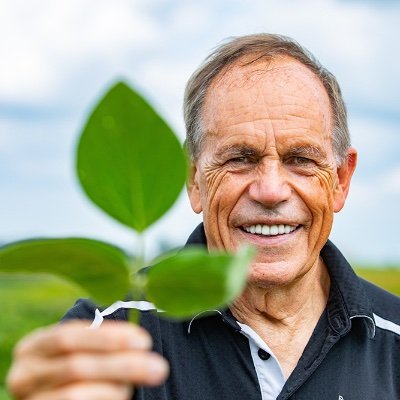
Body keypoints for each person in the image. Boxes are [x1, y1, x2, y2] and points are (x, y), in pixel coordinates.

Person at [7, 34, 400, 400]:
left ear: (340, 181)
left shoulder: (394, 339)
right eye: (239, 159)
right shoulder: (109, 336)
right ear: (194, 179)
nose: (271, 190)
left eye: (300, 160)